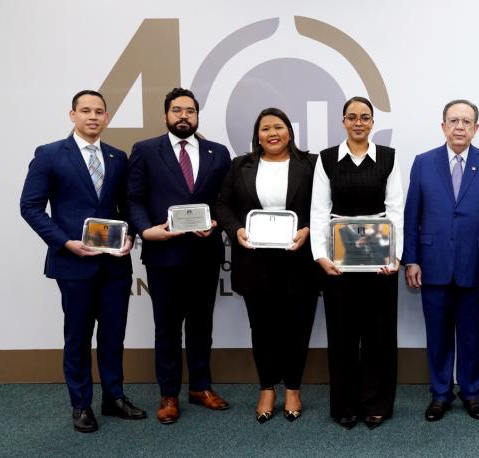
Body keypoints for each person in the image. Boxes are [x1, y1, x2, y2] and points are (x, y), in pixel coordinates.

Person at [20, 90, 146, 432]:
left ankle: (113, 397)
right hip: (73, 262)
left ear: (106, 118)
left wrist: (131, 236)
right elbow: (30, 207)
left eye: (99, 111)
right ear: (72, 114)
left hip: (114, 264)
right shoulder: (49, 155)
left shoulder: (118, 157)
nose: (93, 116)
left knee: (113, 334)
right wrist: (65, 242)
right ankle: (80, 405)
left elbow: (127, 207)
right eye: (86, 110)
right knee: (77, 336)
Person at [127, 87, 232, 424]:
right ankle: (168, 394)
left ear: (197, 115)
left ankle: (201, 387)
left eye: (190, 110)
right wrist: (145, 230)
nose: (184, 115)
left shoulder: (218, 152)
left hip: (204, 253)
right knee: (167, 328)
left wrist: (216, 222)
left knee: (202, 326)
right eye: (177, 110)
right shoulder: (145, 151)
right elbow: (134, 198)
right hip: (164, 255)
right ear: (166, 115)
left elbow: (224, 199)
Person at [403, 99, 479, 423]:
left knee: (472, 334)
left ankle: (472, 394)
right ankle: (440, 394)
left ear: (476, 128)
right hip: (432, 263)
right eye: (453, 121)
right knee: (437, 335)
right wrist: (411, 260)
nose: (460, 126)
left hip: (476, 265)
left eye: (466, 121)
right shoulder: (423, 162)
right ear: (443, 126)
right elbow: (412, 216)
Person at [216, 108, 319, 423]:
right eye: (265, 129)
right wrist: (237, 230)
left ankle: (293, 388)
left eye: (278, 127)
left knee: (297, 328)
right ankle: (266, 388)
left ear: (289, 131)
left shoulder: (312, 164)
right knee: (262, 329)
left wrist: (309, 230)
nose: (272, 133)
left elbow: (325, 205)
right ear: (257, 135)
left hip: (299, 259)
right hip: (255, 261)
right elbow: (222, 205)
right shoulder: (240, 166)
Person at [311, 96, 404, 430]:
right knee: (342, 336)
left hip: (381, 259)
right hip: (338, 260)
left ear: (372, 122)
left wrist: (395, 257)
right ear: (343, 121)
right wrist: (320, 256)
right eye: (352, 117)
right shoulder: (326, 160)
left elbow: (395, 210)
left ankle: (377, 403)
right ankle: (345, 405)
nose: (359, 122)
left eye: (365, 117)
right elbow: (320, 211)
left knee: (379, 335)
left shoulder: (389, 159)